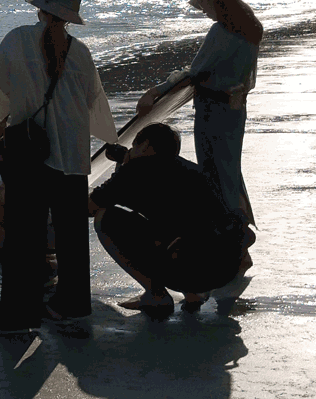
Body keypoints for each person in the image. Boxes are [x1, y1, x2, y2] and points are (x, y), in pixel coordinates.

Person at [0, 0, 119, 340]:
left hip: (31, 150)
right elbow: (93, 104)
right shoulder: (80, 51)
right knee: (71, 236)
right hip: (72, 152)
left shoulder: (18, 39)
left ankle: (17, 318)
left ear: (39, 7)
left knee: (23, 237)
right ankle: (73, 308)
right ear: (71, 16)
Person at [135, 0, 262, 241]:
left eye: (203, 3)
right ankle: (239, 227)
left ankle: (232, 232)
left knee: (214, 171)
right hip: (235, 111)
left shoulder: (222, 31)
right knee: (229, 170)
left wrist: (155, 92)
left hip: (213, 111)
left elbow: (196, 73)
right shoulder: (251, 29)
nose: (202, 9)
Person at [89, 122, 247, 317]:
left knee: (105, 218)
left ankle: (155, 294)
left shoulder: (134, 171)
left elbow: (90, 206)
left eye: (135, 145)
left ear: (145, 145)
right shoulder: (192, 170)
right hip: (226, 269)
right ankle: (193, 294)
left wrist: (123, 167)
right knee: (182, 230)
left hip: (188, 268)